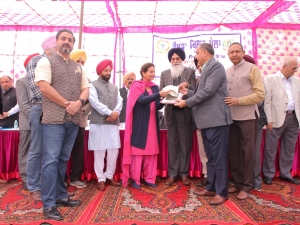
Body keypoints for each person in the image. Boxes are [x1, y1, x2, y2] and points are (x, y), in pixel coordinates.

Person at [35, 28, 89, 220]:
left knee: (62, 160)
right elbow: (44, 87)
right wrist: (68, 103)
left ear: (73, 44)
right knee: (50, 161)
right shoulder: (46, 61)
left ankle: (60, 196)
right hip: (54, 120)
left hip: (73, 120)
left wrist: (79, 103)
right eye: (63, 39)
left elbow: (85, 89)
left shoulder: (78, 67)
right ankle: (48, 204)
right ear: (57, 42)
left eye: (70, 40)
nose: (67, 42)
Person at [175, 43, 232, 205]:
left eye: (197, 53)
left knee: (218, 157)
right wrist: (188, 93)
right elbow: (204, 92)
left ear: (205, 53)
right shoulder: (207, 68)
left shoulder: (216, 66)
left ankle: (222, 192)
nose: (196, 55)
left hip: (216, 120)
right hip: (206, 121)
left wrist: (186, 103)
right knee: (211, 158)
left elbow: (208, 92)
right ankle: (212, 187)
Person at [225, 42, 265, 200]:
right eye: (231, 52)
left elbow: (260, 94)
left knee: (248, 152)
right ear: (228, 55)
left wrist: (238, 101)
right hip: (230, 117)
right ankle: (237, 182)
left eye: (237, 51)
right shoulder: (227, 71)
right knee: (233, 151)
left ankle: (247, 186)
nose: (234, 54)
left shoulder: (252, 69)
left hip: (248, 116)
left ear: (243, 52)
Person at [122, 63, 170, 189]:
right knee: (138, 152)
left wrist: (166, 100)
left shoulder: (154, 87)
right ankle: (135, 179)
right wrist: (160, 94)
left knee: (151, 152)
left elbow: (157, 105)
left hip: (153, 124)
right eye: (150, 71)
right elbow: (142, 100)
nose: (153, 74)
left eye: (154, 71)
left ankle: (149, 178)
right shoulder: (136, 85)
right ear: (143, 73)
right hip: (140, 123)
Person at [160, 48, 196, 186]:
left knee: (185, 144)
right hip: (170, 113)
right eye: (173, 59)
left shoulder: (190, 72)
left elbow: (195, 91)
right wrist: (164, 96)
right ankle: (173, 174)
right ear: (170, 60)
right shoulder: (164, 74)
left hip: (185, 112)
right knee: (173, 144)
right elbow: (161, 92)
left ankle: (184, 173)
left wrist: (188, 86)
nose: (175, 61)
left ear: (182, 59)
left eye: (177, 59)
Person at [26, 35, 56, 203]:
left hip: (55, 110)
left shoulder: (57, 63)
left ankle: (48, 185)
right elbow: (38, 90)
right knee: (36, 150)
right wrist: (60, 99)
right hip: (40, 108)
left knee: (50, 152)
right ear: (49, 48)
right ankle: (34, 187)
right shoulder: (36, 61)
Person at [263, 57, 300, 185]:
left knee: (289, 149)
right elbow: (266, 102)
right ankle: (268, 174)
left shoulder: (297, 81)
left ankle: (285, 173)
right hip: (275, 119)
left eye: (297, 67)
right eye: (293, 67)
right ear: (284, 66)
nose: (295, 70)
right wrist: (268, 119)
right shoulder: (270, 79)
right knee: (270, 148)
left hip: (293, 118)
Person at [88, 59, 122, 191]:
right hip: (98, 123)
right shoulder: (92, 85)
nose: (108, 73)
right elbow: (94, 102)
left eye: (109, 70)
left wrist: (115, 113)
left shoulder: (114, 87)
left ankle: (109, 176)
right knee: (99, 151)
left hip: (112, 124)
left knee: (114, 150)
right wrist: (110, 112)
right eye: (106, 70)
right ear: (100, 71)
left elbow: (120, 101)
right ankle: (100, 178)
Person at [243, 55, 268, 191]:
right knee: (240, 151)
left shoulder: (257, 77)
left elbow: (259, 100)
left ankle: (256, 179)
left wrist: (240, 101)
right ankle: (242, 179)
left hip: (254, 118)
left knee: (253, 151)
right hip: (237, 118)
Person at [67, 49, 90, 188]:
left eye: (82, 62)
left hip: (80, 119)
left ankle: (76, 177)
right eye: (77, 61)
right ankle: (62, 177)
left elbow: (90, 101)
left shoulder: (87, 80)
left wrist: (82, 109)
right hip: (65, 117)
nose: (80, 64)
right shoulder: (64, 78)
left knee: (78, 149)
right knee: (63, 150)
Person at [15, 55, 36, 191]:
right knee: (25, 151)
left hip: (43, 123)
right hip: (28, 123)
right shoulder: (22, 82)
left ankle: (36, 178)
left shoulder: (43, 81)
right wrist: (36, 119)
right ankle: (26, 178)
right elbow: (23, 105)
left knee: (38, 152)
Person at [193, 57, 208, 187]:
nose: (199, 65)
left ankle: (212, 176)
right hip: (199, 121)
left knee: (213, 150)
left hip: (213, 120)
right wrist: (187, 92)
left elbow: (205, 94)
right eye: (197, 64)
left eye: (201, 63)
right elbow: (197, 95)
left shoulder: (216, 76)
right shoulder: (197, 80)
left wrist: (186, 101)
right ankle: (206, 174)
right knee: (203, 149)